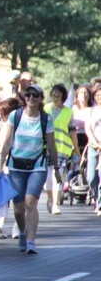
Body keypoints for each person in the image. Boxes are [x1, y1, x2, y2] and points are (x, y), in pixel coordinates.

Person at [0, 84, 61, 254]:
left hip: (37, 167)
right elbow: (7, 142)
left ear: (41, 98)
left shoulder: (45, 119)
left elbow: (52, 147)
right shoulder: (15, 116)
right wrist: (0, 164)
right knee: (18, 209)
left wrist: (56, 168)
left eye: (35, 95)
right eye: (28, 94)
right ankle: (23, 233)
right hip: (16, 166)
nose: (31, 98)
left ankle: (31, 241)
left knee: (30, 203)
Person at [44, 84, 80, 215]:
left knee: (57, 177)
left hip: (62, 149)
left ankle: (55, 204)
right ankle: (50, 198)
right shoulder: (45, 109)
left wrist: (76, 149)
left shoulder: (68, 112)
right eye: (54, 94)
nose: (56, 97)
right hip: (46, 148)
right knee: (47, 179)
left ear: (63, 97)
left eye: (58, 95)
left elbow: (72, 132)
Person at [0, 98, 21, 239]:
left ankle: (18, 227)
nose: (2, 117)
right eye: (0, 114)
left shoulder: (20, 125)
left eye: (5, 113)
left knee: (17, 197)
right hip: (0, 162)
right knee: (2, 194)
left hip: (16, 162)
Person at [72, 83, 92, 155]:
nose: (84, 95)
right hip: (74, 138)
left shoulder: (92, 110)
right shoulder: (72, 109)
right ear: (77, 95)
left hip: (88, 138)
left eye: (86, 93)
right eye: (81, 93)